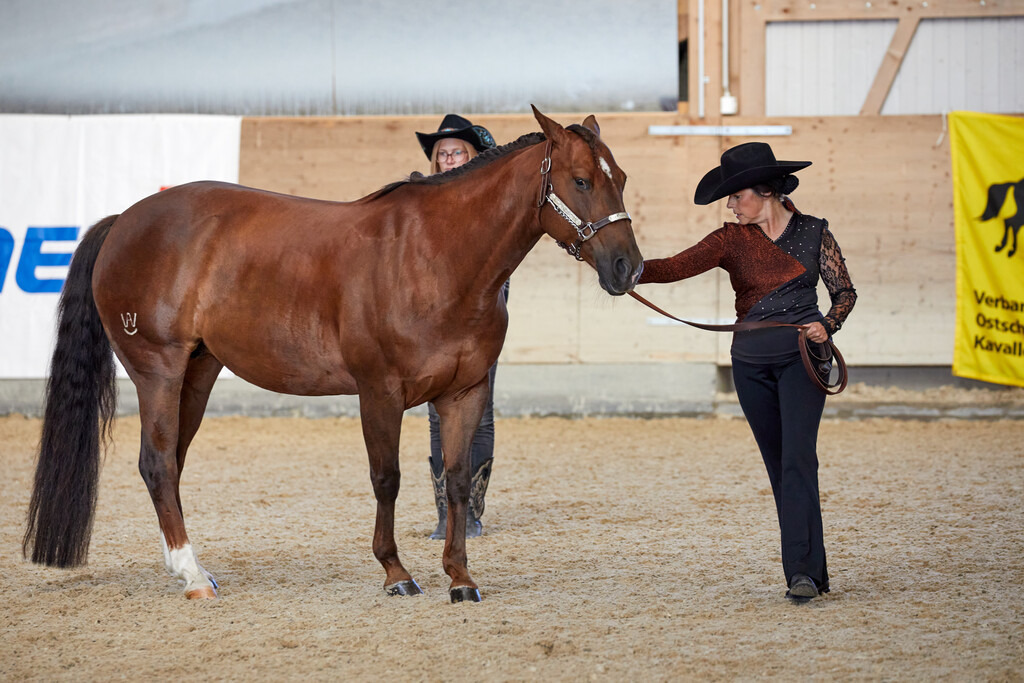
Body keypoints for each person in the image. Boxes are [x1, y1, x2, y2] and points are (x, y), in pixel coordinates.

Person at [637, 142, 856, 601]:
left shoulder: (814, 232)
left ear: (766, 192)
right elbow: (674, 266)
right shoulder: (728, 240)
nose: (732, 205)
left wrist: (827, 324)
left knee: (799, 461)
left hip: (801, 359)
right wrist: (621, 269)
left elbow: (844, 292)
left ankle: (798, 573)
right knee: (781, 467)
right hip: (750, 366)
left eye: (737, 196)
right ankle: (813, 571)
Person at [414, 114, 507, 539]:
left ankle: (469, 511)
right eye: (443, 154)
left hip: (481, 309)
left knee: (479, 412)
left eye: (458, 153)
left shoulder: (490, 200)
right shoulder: (420, 197)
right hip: (433, 314)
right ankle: (445, 513)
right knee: (437, 415)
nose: (450, 159)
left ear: (473, 157)